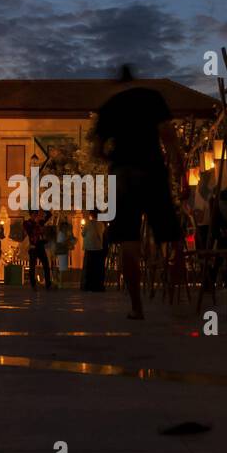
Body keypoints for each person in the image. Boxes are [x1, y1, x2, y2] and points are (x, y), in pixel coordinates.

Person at [90, 64, 185, 319]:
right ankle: (178, 299)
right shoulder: (152, 97)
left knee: (129, 241)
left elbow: (96, 150)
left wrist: (114, 158)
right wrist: (178, 167)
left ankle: (136, 307)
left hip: (123, 174)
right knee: (170, 235)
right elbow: (168, 135)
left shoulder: (110, 106)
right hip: (152, 170)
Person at [22, 209, 52, 290]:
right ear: (31, 214)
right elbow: (30, 232)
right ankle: (33, 284)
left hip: (40, 245)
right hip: (33, 246)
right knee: (32, 266)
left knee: (46, 265)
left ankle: (48, 284)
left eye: (37, 214)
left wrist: (43, 208)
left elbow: (49, 215)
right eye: (35, 214)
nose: (36, 215)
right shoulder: (27, 223)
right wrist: (37, 224)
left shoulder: (40, 221)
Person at [81, 213, 106, 292]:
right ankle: (97, 285)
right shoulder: (101, 224)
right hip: (98, 247)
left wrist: (82, 229)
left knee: (89, 267)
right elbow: (102, 232)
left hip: (89, 247)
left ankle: (88, 285)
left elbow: (83, 233)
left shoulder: (88, 223)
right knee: (97, 267)